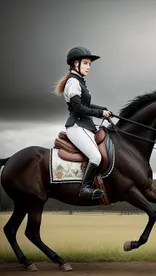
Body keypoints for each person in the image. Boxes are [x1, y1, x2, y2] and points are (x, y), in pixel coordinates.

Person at [54, 46, 111, 200]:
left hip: (85, 126)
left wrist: (103, 110)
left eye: (89, 64)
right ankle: (84, 188)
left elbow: (85, 106)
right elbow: (78, 109)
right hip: (77, 126)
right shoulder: (73, 82)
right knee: (96, 157)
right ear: (75, 63)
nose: (88, 67)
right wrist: (100, 113)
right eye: (85, 63)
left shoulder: (79, 82)